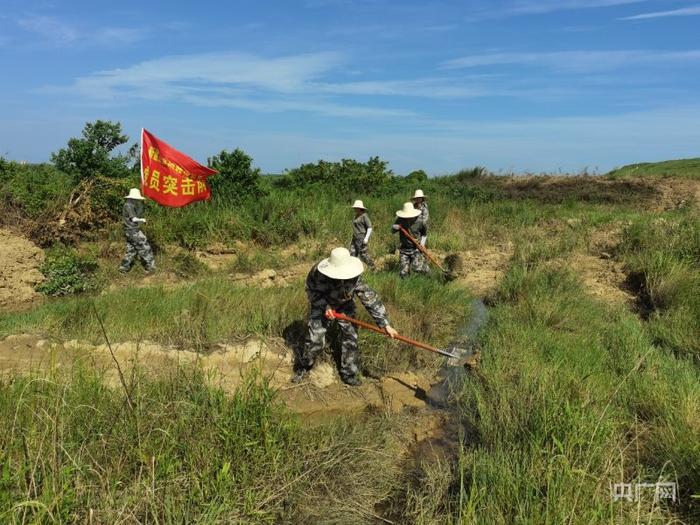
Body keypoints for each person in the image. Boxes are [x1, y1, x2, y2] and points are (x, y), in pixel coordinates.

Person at [293, 247, 398, 386]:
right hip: (322, 303)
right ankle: (303, 366)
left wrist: (385, 324)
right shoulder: (317, 273)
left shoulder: (355, 276)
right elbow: (311, 291)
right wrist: (325, 306)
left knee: (350, 336)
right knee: (315, 339)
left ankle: (349, 373)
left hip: (344, 304)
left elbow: (370, 299)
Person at [118, 188, 155, 274]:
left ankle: (123, 269)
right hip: (134, 231)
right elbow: (134, 219)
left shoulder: (128, 205)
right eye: (137, 199)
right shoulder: (129, 205)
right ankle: (151, 268)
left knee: (131, 251)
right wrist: (142, 220)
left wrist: (141, 207)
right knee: (146, 248)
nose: (137, 200)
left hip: (128, 231)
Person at [392, 202, 429, 278]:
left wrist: (422, 244)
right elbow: (393, 231)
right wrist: (394, 227)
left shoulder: (420, 222)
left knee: (416, 268)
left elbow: (424, 234)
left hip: (416, 248)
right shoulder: (400, 220)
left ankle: (426, 269)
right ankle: (406, 284)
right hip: (404, 249)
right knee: (403, 273)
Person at [349, 200, 375, 269]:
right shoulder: (356, 216)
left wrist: (366, 238)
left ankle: (372, 267)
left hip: (361, 237)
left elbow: (369, 227)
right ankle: (353, 268)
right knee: (352, 253)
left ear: (359, 208)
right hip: (355, 237)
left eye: (356, 207)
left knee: (363, 254)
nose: (354, 209)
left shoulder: (364, 216)